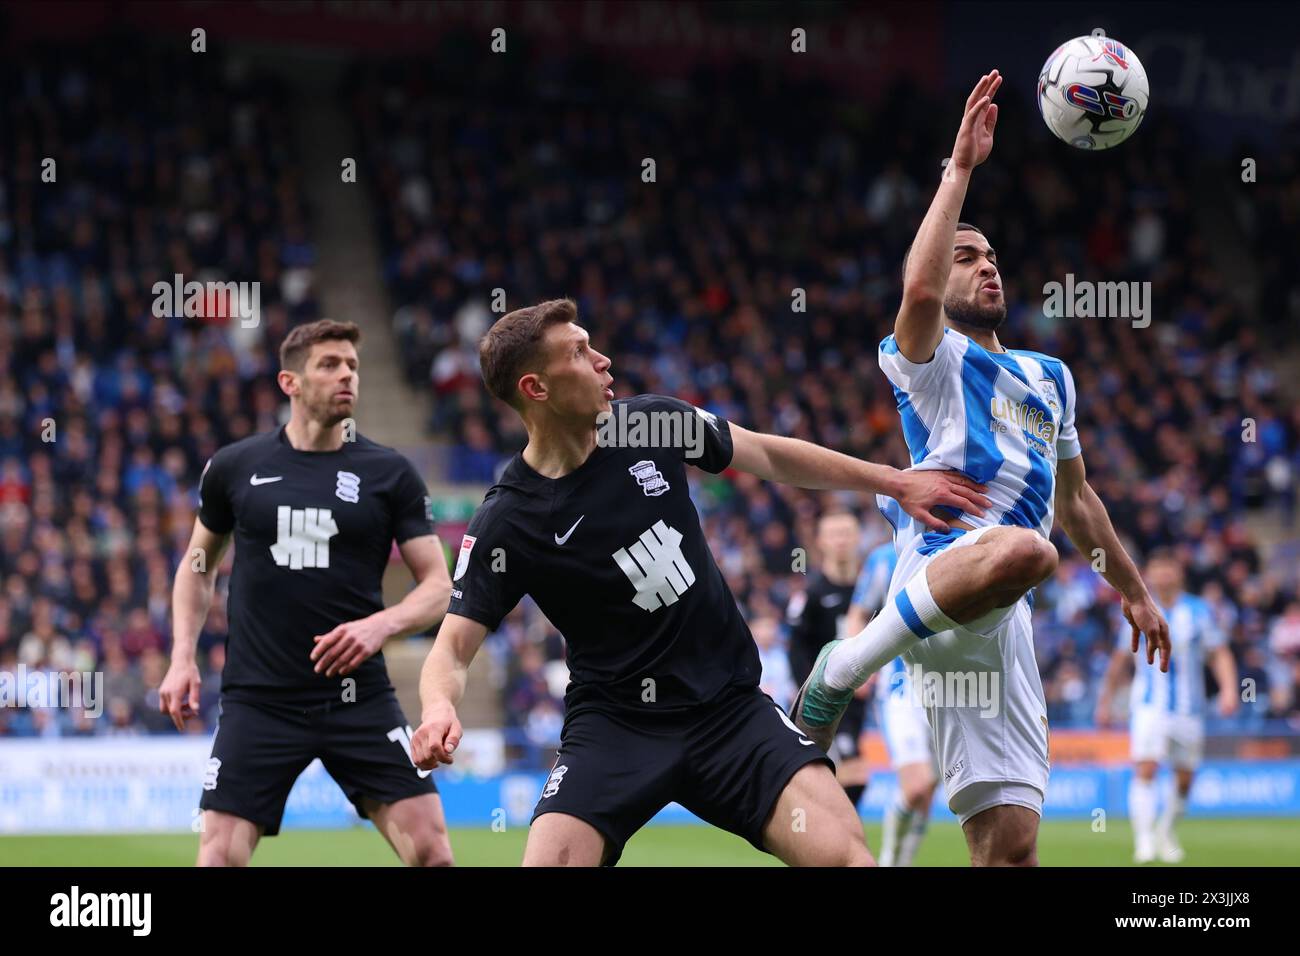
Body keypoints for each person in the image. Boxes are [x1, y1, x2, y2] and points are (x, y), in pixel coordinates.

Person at [410, 298, 989, 866]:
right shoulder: (508, 520)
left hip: (730, 713)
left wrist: (894, 482)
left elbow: (767, 454)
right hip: (613, 727)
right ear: (535, 388)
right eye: (580, 353)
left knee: (849, 860)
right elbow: (452, 650)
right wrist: (438, 707)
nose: (604, 359)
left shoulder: (649, 422)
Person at [791, 71, 1171, 866]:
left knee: (1011, 848)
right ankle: (845, 666)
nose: (985, 266)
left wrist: (1134, 591)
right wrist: (957, 173)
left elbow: (1079, 502)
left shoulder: (1050, 377)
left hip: (1001, 624)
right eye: (968, 257)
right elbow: (921, 285)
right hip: (944, 569)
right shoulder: (930, 360)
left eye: (991, 256)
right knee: (1032, 554)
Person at [160, 319, 455, 866]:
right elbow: (197, 567)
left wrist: (381, 625)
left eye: (353, 366)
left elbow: (439, 587)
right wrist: (182, 657)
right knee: (218, 856)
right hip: (259, 699)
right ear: (289, 382)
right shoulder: (235, 467)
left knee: (433, 853)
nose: (347, 375)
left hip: (359, 699)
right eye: (330, 364)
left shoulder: (390, 473)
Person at [1096, 550, 1238, 863]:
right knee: (1146, 767)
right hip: (1148, 706)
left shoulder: (1199, 611)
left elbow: (1219, 653)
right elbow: (1120, 659)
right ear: (1149, 572)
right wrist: (1105, 700)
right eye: (1157, 567)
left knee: (1185, 777)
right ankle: (1144, 841)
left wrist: (1229, 689)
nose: (1163, 574)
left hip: (1189, 708)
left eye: (1168, 567)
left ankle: (1166, 831)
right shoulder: (1135, 608)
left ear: (1179, 572)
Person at [846, 540, 939, 867]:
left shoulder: (958, 543)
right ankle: (889, 861)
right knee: (917, 786)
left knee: (928, 791)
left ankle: (901, 863)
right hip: (900, 687)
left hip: (951, 684)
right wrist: (858, 662)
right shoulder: (883, 559)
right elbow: (857, 613)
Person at [787, 508, 869, 808]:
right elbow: (795, 648)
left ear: (859, 538)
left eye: (847, 533)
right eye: (834, 534)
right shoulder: (811, 594)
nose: (841, 541)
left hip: (862, 698)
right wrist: (810, 688)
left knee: (846, 774)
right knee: (853, 770)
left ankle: (833, 837)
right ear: (820, 541)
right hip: (825, 697)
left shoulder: (870, 591)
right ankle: (836, 835)